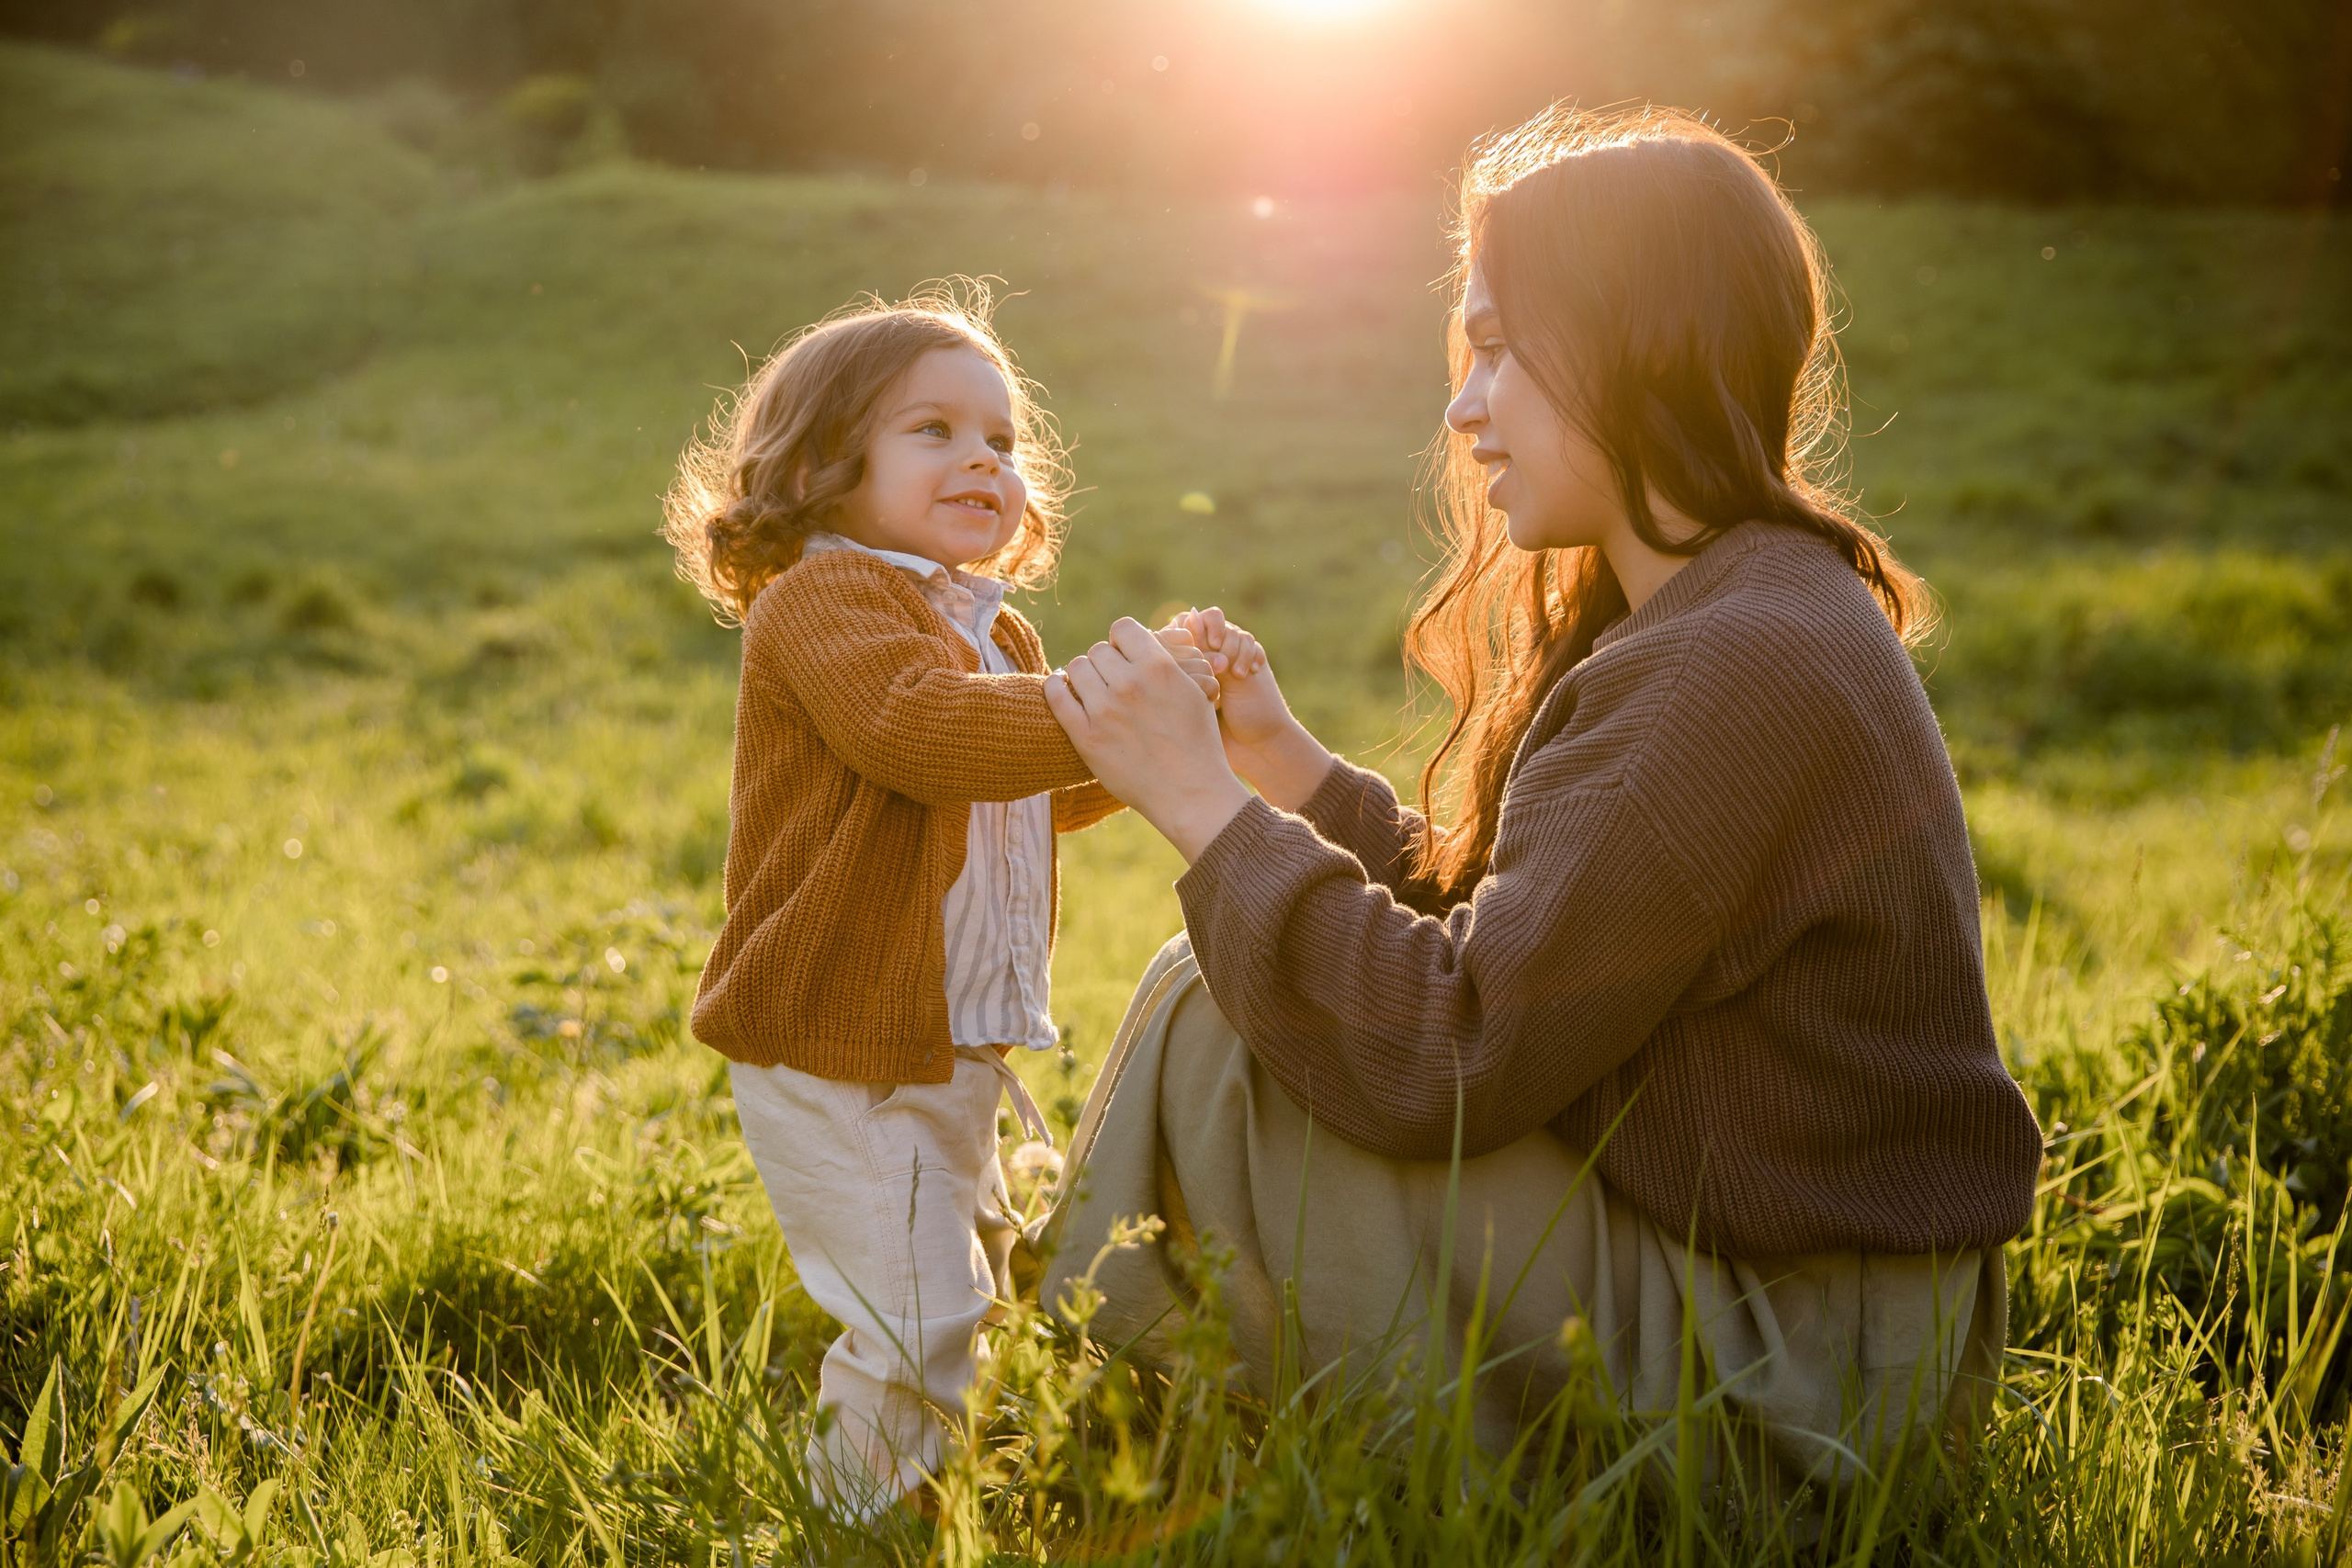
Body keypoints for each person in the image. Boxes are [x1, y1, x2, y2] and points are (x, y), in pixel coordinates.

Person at [1040, 107, 2045, 1523]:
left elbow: (1452, 1054)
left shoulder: (1732, 656)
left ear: (1639, 344)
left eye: (1500, 349)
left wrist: (1198, 801)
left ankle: (1092, 1439)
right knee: (1236, 988)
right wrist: (1289, 771)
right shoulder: (1737, 606)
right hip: (1809, 1320)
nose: (1463, 410)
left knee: (1226, 1018)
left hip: (1808, 1386)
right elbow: (1531, 939)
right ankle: (1125, 1425)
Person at [662, 283, 1213, 1516]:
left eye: (1004, 442)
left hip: (946, 1042)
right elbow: (920, 737)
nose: (984, 459)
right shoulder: (826, 601)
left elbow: (1028, 794)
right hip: (840, 1042)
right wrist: (1115, 701)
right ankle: (859, 1520)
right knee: (919, 1316)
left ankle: (931, 1494)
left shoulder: (998, 636)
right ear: (820, 465)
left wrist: (1162, 728)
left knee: (962, 1288)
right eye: (936, 431)